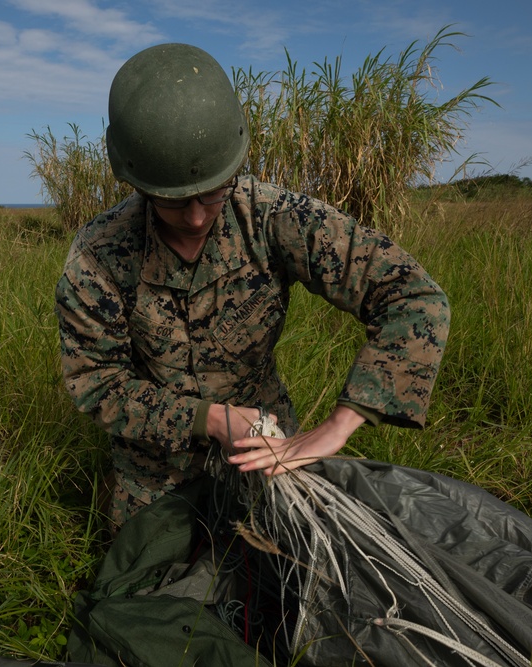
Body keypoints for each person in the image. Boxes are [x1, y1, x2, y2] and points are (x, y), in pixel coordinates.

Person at [54, 43, 450, 529]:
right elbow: (97, 383)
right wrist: (211, 420)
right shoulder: (99, 254)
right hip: (154, 470)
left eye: (214, 193)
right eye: (174, 202)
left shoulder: (275, 218)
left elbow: (413, 296)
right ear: (139, 183)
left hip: (269, 448)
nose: (197, 217)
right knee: (147, 586)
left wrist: (340, 424)